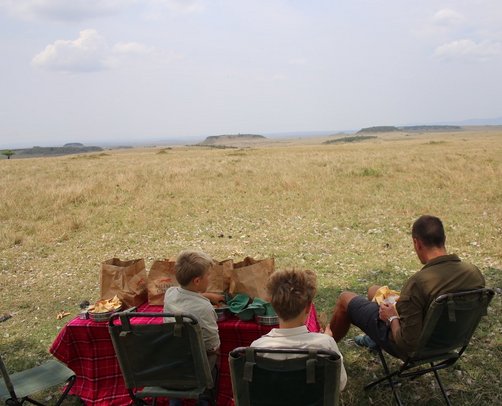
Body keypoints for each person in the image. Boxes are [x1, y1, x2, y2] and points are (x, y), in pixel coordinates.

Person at [329, 215, 485, 359]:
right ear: (444, 239)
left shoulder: (419, 283)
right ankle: (373, 341)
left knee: (345, 299)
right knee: (374, 291)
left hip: (415, 347)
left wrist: (392, 318)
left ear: (417, 243)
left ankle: (323, 351)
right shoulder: (473, 273)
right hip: (450, 341)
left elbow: (406, 344)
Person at [251, 269, 347, 391]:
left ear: (272, 305)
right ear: (308, 307)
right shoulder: (325, 346)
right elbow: (340, 384)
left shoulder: (258, 348)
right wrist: (328, 340)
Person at [163, 250, 220, 406]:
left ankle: (174, 402)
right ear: (197, 281)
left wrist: (205, 296)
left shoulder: (169, 294)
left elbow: (185, 296)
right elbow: (212, 344)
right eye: (208, 275)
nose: (210, 277)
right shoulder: (204, 309)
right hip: (196, 371)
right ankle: (204, 400)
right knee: (213, 356)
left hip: (169, 366)